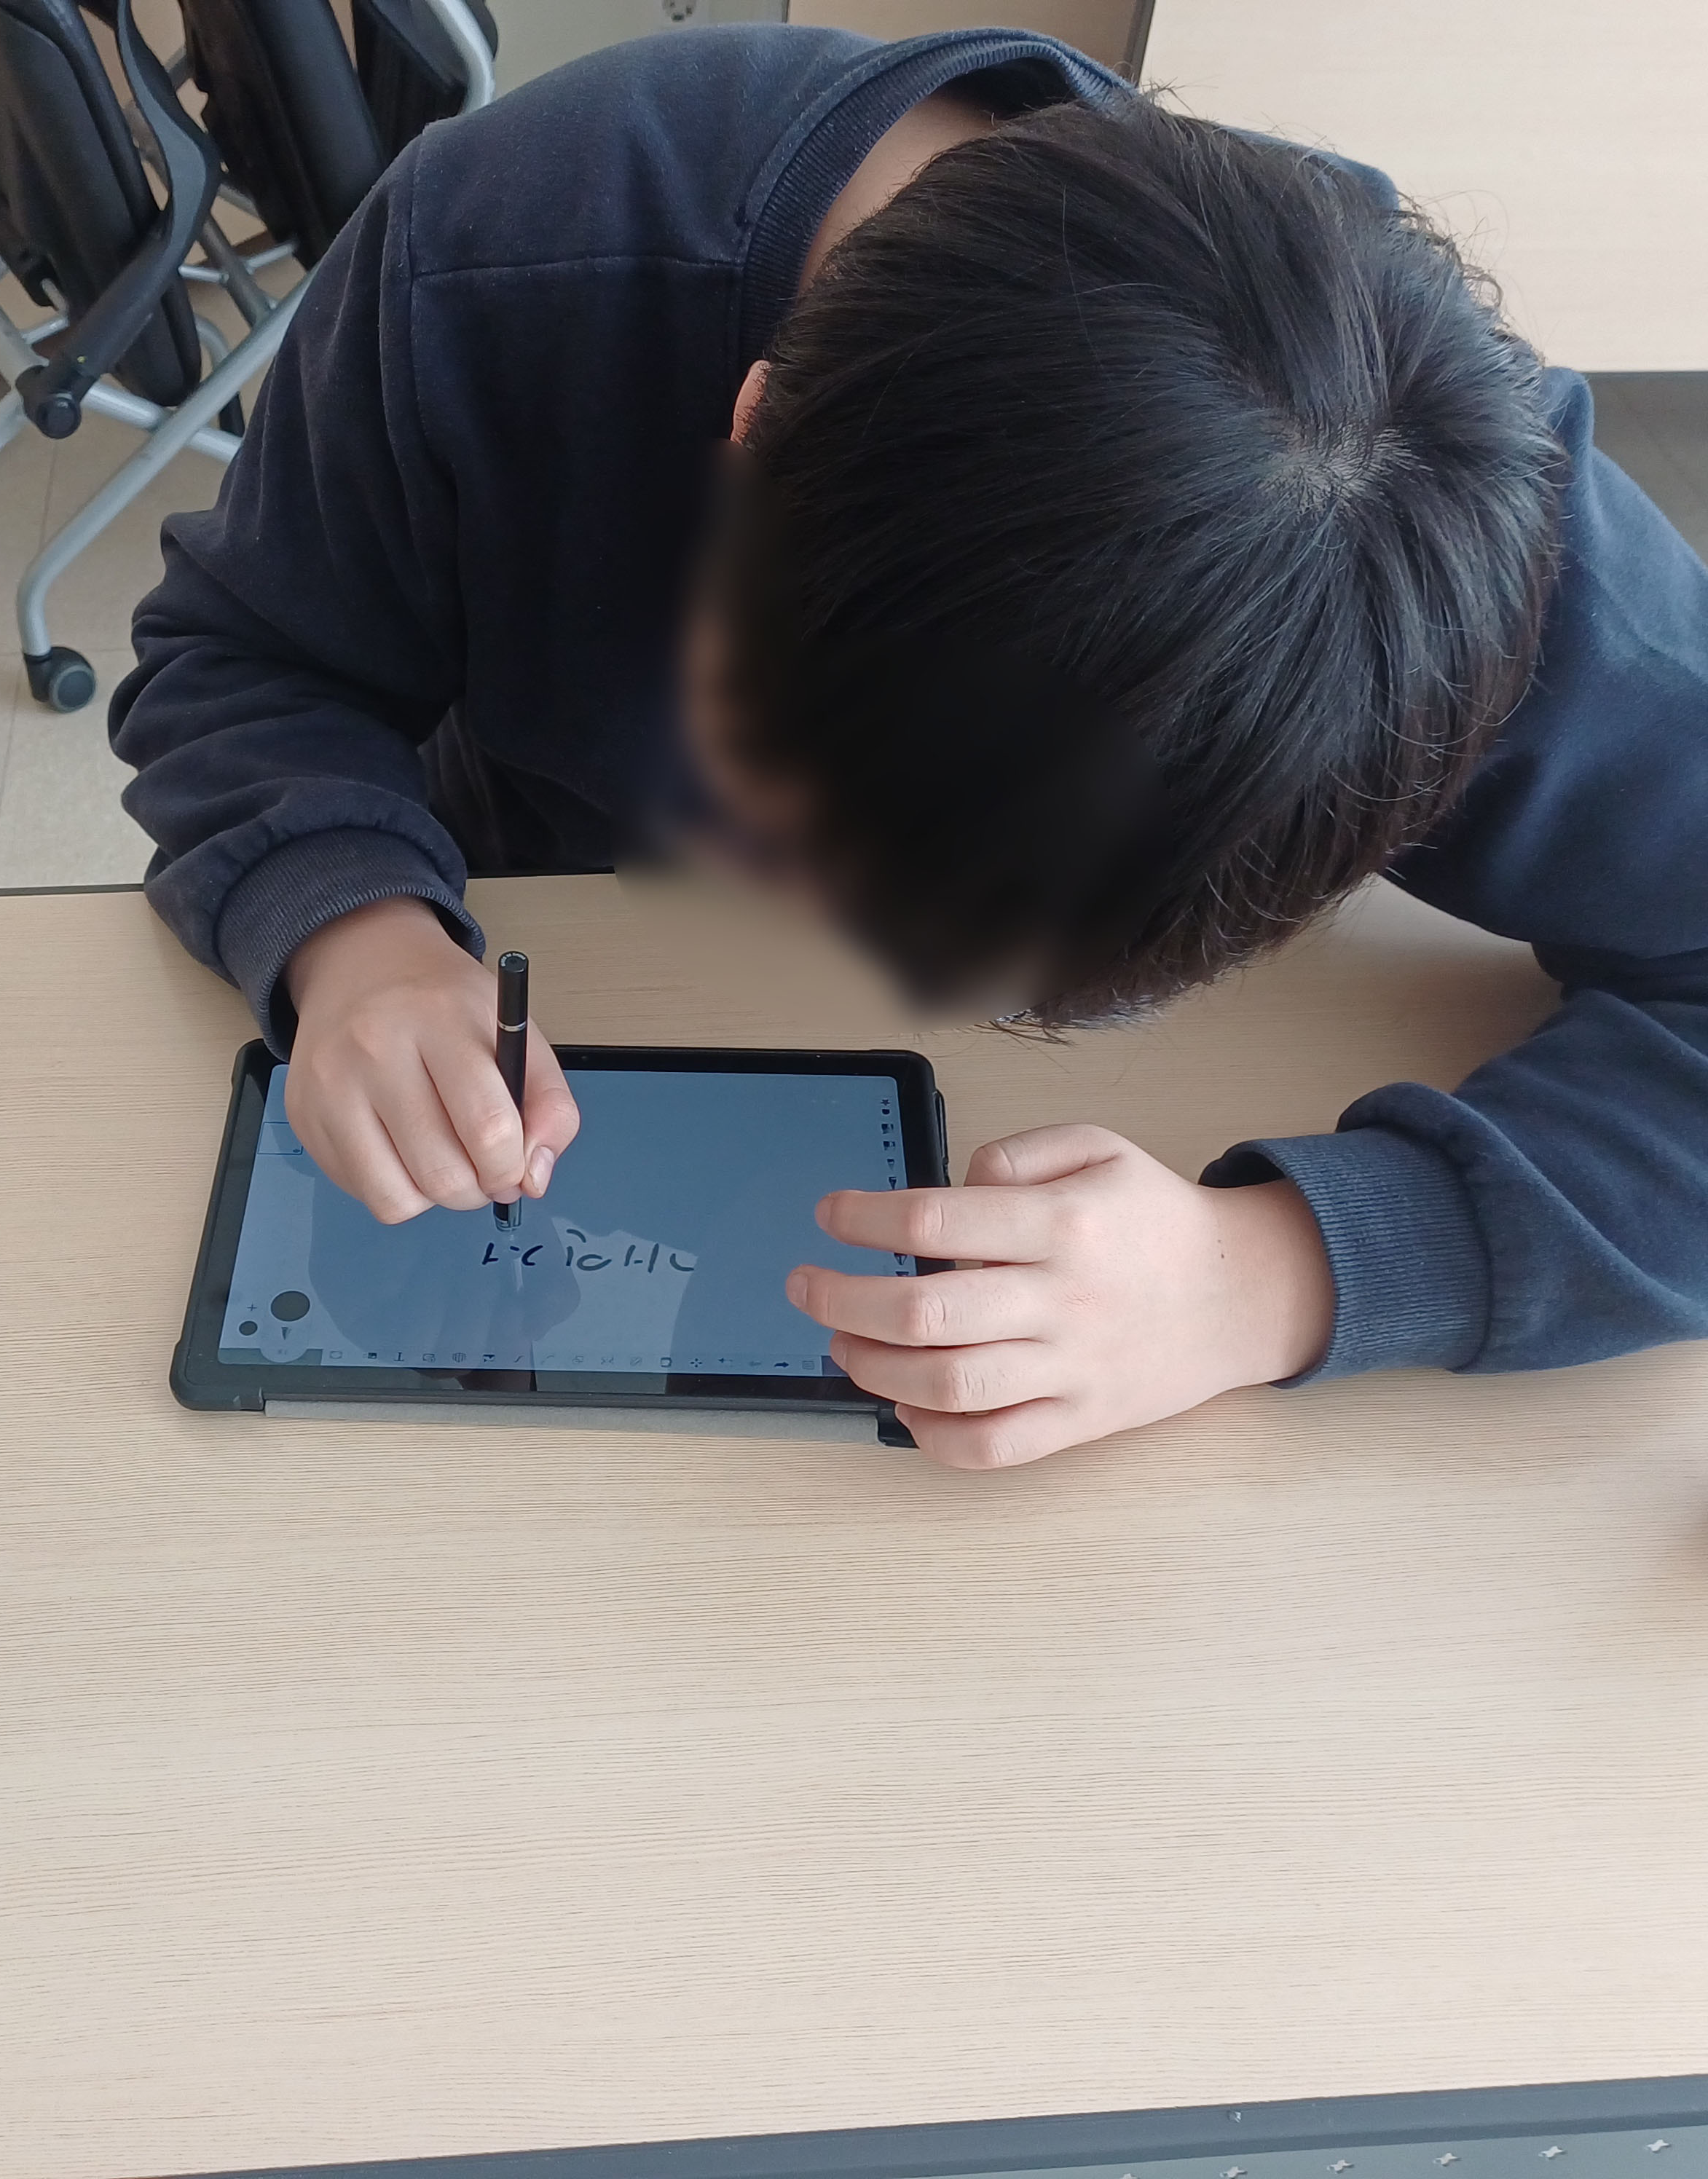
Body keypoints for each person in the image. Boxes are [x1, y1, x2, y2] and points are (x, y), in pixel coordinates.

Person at [111, 25, 1708, 1469]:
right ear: (746, 443)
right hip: (547, 934)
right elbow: (243, 654)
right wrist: (355, 930)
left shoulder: (1450, 553)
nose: (868, 956)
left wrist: (1273, 1273)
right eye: (787, 807)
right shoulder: (501, 257)